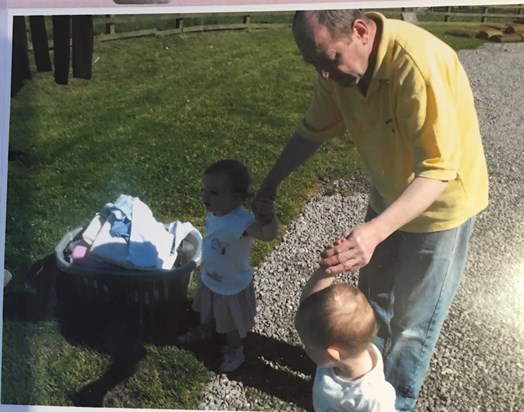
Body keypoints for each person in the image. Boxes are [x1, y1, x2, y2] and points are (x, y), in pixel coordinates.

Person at [253, 9, 489, 411]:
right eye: (314, 64)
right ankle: (356, 374)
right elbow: (311, 131)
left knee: (413, 323)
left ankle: (394, 400)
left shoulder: (416, 65)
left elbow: (438, 170)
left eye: (329, 59)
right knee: (372, 302)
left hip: (440, 209)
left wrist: (374, 233)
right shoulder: (338, 72)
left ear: (361, 31)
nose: (324, 74)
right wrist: (270, 184)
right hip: (388, 196)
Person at [178, 159, 278, 372]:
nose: (205, 196)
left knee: (230, 323)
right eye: (204, 189)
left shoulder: (241, 222)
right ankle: (204, 329)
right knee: (207, 308)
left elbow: (267, 235)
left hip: (230, 285)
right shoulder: (215, 211)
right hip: (210, 276)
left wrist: (269, 218)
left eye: (213, 192)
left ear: (237, 198)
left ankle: (235, 349)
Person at [295, 260, 396, 411]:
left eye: (307, 345)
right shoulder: (340, 350)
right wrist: (327, 271)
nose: (304, 348)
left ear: (333, 354)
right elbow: (307, 305)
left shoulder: (371, 397)